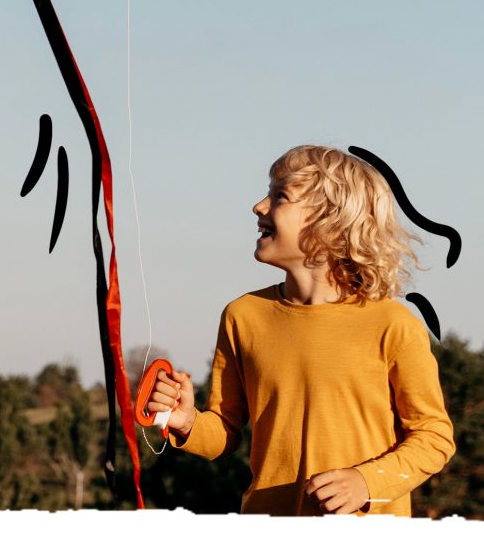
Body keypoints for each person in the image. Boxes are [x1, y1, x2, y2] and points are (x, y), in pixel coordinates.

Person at [143, 146, 457, 516]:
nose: (258, 206)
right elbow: (224, 432)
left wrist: (366, 482)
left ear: (331, 222)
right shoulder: (242, 316)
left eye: (280, 196)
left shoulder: (393, 324)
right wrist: (187, 422)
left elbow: (434, 438)